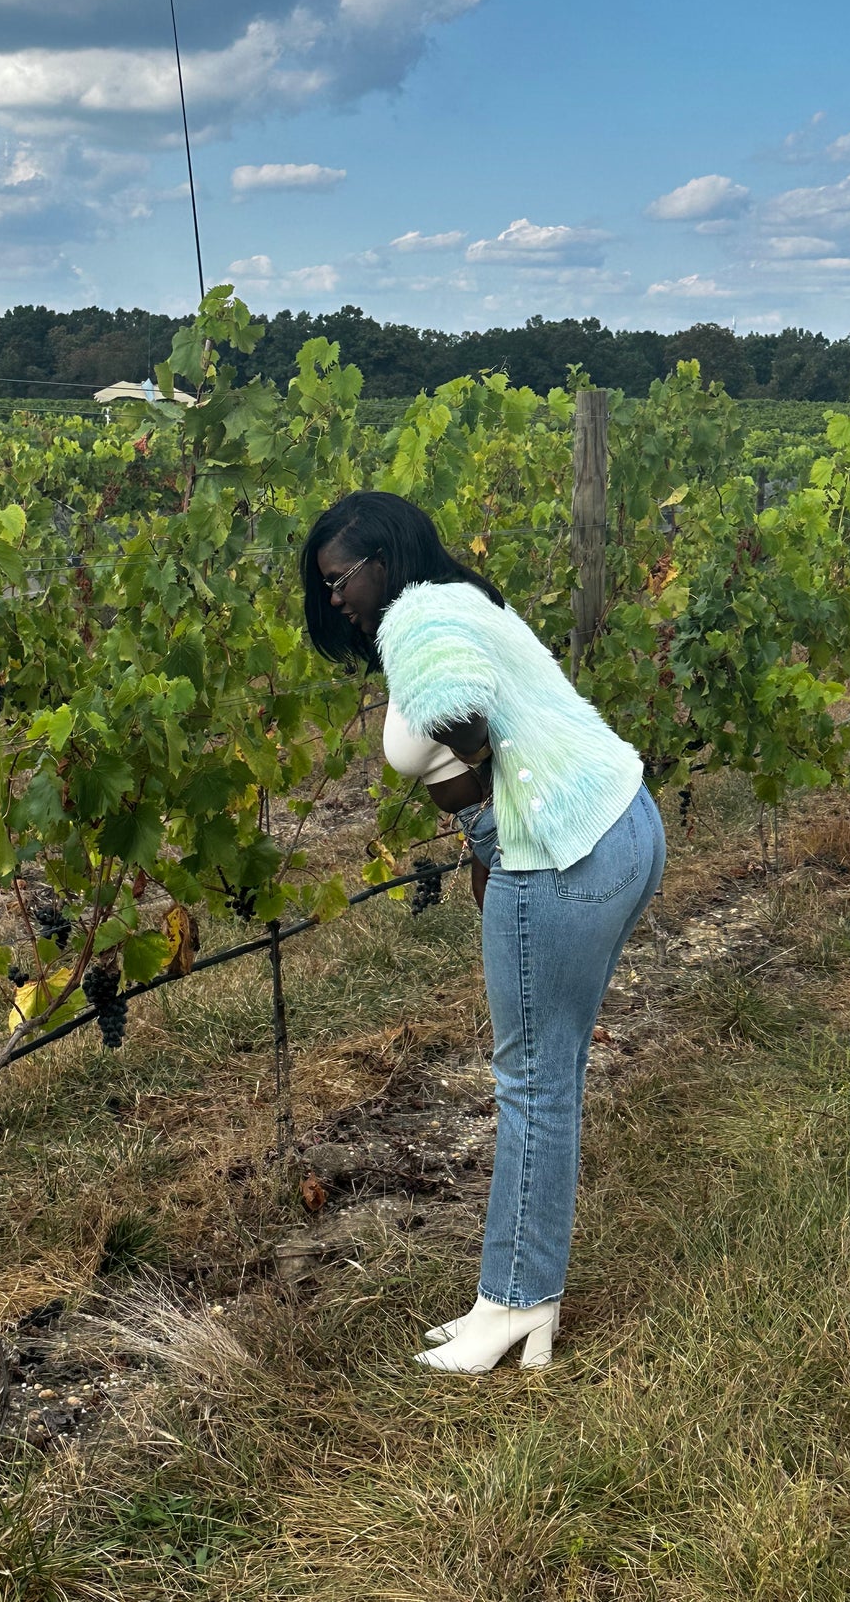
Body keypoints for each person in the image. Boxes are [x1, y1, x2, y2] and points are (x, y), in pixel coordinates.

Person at [301, 490, 666, 1374]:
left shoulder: (420, 619)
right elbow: (477, 750)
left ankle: (516, 1302)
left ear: (383, 558)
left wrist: (496, 848)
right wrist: (480, 838)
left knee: (531, 1085)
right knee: (549, 1078)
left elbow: (459, 719)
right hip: (622, 822)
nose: (337, 599)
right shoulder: (468, 598)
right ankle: (509, 1297)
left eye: (339, 579)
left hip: (560, 855)